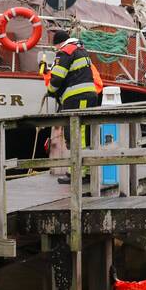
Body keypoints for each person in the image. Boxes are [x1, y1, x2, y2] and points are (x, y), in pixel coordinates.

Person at [45, 29, 99, 182]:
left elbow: (56, 79)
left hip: (77, 98)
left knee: (76, 133)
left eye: (55, 47)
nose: (56, 50)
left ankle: (76, 173)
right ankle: (86, 171)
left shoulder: (65, 52)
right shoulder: (80, 49)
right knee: (86, 134)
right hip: (89, 96)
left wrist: (50, 91)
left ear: (59, 44)